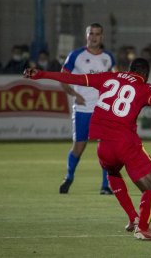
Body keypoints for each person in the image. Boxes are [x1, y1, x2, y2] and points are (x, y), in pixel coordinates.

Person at [24, 58, 151, 240]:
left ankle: (133, 218)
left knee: (113, 173)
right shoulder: (144, 88)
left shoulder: (108, 77)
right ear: (146, 75)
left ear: (129, 69)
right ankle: (143, 228)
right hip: (125, 143)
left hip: (103, 147)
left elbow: (75, 79)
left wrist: (42, 74)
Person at [59, 23, 116, 195]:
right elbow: (63, 77)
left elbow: (115, 78)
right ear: (86, 36)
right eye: (91, 33)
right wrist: (74, 94)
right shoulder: (76, 55)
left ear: (102, 37)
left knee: (106, 148)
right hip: (83, 109)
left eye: (98, 34)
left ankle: (105, 186)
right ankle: (69, 177)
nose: (94, 37)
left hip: (102, 109)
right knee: (79, 147)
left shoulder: (108, 57)